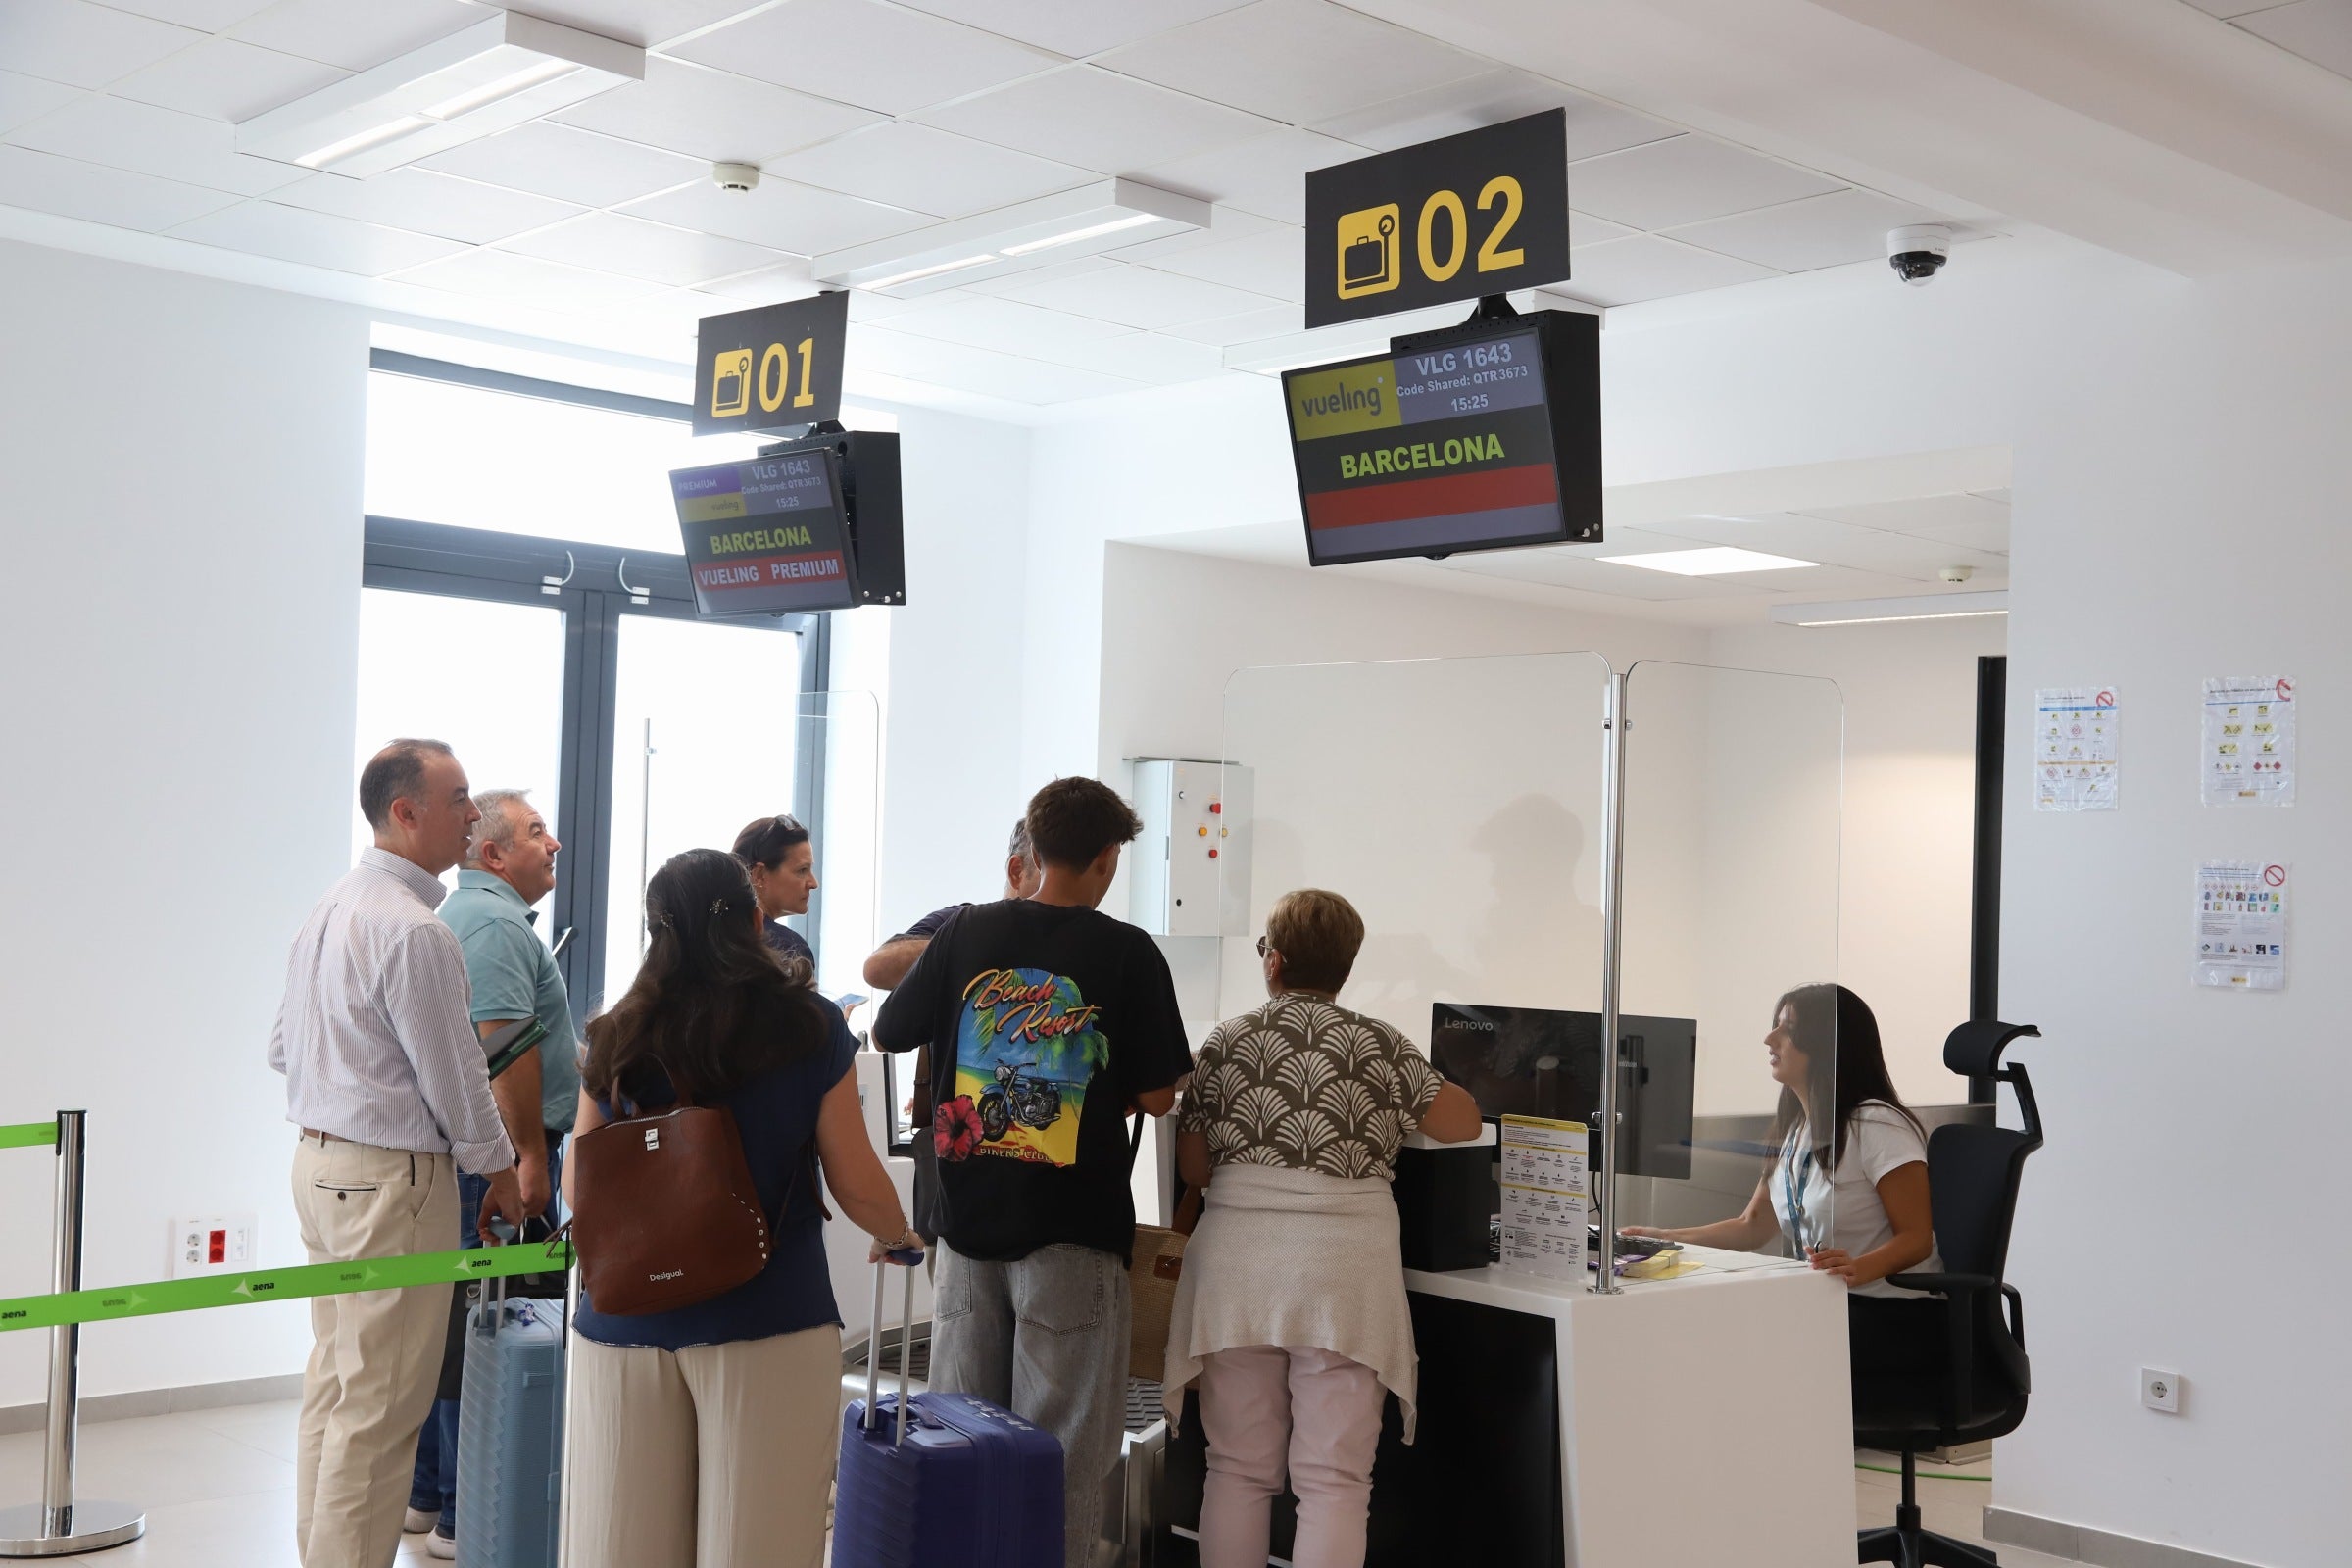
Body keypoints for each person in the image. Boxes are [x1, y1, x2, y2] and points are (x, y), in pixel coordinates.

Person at [563, 848, 918, 1568]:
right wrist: (898, 1233)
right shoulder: (810, 1026)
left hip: (623, 1318)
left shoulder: (616, 1032)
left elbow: (581, 1177)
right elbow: (853, 1177)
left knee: (620, 1546)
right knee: (757, 1545)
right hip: (769, 1316)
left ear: (654, 931)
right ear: (756, 919)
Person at [873, 777, 1193, 1568]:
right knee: (1062, 1454)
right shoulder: (1127, 951)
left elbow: (888, 1028)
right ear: (1108, 858)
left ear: (1032, 848)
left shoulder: (964, 932)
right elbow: (1156, 1093)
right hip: (1073, 1230)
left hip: (965, 1222)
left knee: (959, 1435)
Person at [1162, 889, 1483, 1568]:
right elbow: (1465, 1123)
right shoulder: (1378, 1042)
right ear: (1344, 967)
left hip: (1238, 1272)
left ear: (1272, 960)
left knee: (1237, 1470)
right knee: (1333, 1483)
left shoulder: (1225, 1041)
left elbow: (1194, 1166)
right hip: (1344, 1276)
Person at [269, 739, 524, 1568]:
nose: (473, 815)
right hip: (389, 1184)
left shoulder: (330, 907)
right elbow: (457, 1087)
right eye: (458, 800)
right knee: (380, 1410)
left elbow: (282, 1048)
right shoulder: (417, 932)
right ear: (405, 812)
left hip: (319, 1167)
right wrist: (503, 1172)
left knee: (338, 1387)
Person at [407, 789, 581, 1557]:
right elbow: (502, 1043)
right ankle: (456, 1509)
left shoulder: (475, 917)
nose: (555, 846)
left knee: (463, 1316)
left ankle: (426, 1496)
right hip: (502, 1152)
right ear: (493, 854)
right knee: (486, 1320)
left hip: (486, 1148)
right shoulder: (494, 922)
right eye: (537, 833)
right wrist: (530, 1158)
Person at [1623, 983, 1940, 1385]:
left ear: (1826, 1043)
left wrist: (1857, 1268)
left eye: (1786, 1029)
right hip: (1826, 1306)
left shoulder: (1878, 1124)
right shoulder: (1796, 1128)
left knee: (1728, 1350)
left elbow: (1917, 1238)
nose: (1769, 1039)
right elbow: (1751, 1227)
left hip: (1887, 1317)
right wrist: (1662, 1239)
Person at [863, 817, 1044, 1250]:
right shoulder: (962, 923)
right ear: (1017, 872)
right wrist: (972, 944)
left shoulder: (1084, 940)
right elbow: (878, 967)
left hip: (1041, 1167)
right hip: (960, 1156)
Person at [734, 813, 818, 970]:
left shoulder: (715, 938)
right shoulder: (790, 949)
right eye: (802, 870)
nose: (814, 883)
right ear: (759, 875)